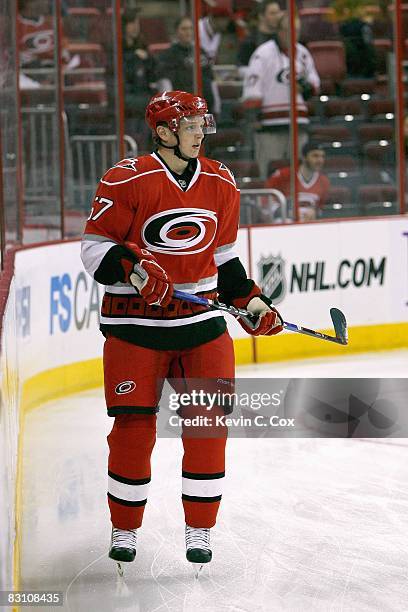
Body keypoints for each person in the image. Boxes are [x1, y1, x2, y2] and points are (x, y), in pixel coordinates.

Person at [80, 90, 283, 571]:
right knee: (133, 429)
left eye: (201, 124)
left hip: (202, 323)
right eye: (190, 125)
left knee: (208, 426)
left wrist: (250, 300)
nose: (200, 133)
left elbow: (224, 256)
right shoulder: (127, 178)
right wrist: (134, 272)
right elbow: (94, 249)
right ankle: (125, 530)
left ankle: (200, 527)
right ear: (165, 131)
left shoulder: (220, 180)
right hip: (135, 325)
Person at [242, 13, 320, 178]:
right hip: (270, 127)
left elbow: (314, 85)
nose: (293, 34)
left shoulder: (303, 54)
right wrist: (255, 117)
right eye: (288, 30)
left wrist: (305, 87)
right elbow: (252, 90)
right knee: (271, 174)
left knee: (301, 174)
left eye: (296, 30)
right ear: (278, 31)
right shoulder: (263, 53)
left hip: (298, 125)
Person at [157, 16, 220, 116]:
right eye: (184, 29)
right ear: (176, 31)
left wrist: (217, 104)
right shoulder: (169, 55)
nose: (188, 32)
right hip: (183, 108)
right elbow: (165, 82)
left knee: (209, 131)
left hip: (206, 106)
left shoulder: (201, 52)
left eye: (190, 28)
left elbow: (211, 78)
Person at [263, 142, 330, 222]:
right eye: (315, 156)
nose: (320, 160)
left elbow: (320, 208)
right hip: (284, 223)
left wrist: (315, 212)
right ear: (304, 157)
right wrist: (284, 212)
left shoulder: (324, 181)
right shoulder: (284, 175)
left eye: (322, 156)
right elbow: (265, 198)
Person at [237, 0, 283, 76]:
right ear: (261, 16)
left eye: (278, 12)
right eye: (272, 13)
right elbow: (241, 68)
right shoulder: (250, 41)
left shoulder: (282, 39)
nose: (277, 16)